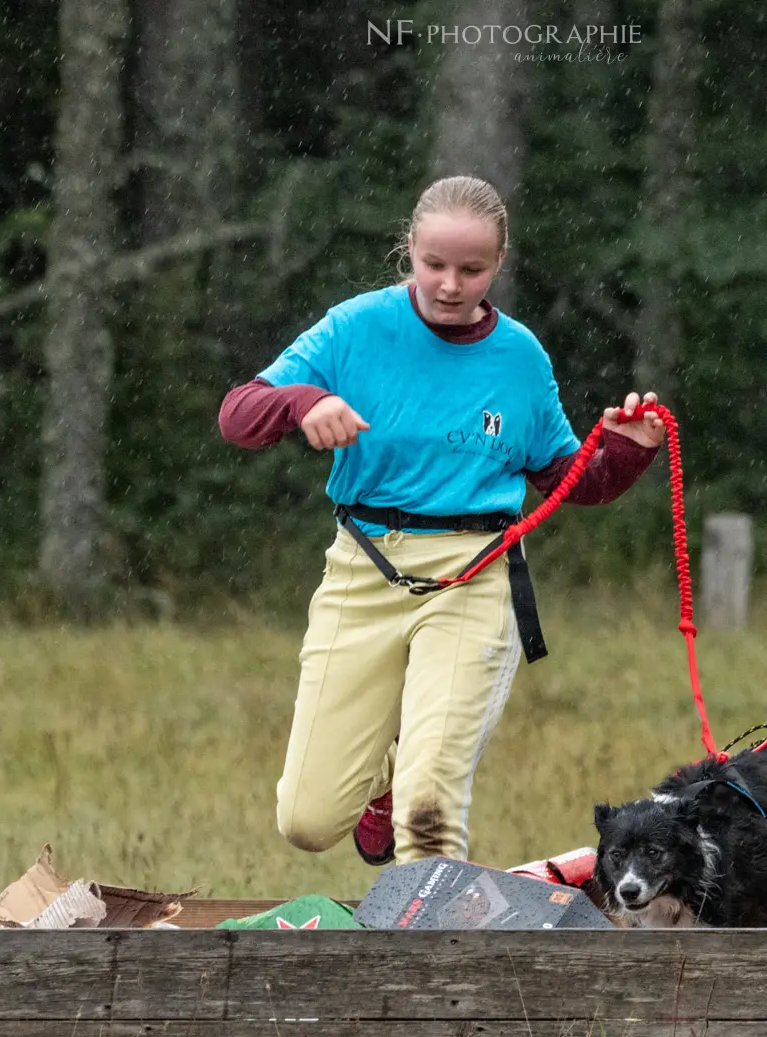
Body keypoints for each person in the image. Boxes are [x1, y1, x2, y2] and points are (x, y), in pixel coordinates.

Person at [217, 175, 668, 868]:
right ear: (409, 250)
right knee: (306, 820)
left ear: (498, 265)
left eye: (472, 269)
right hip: (364, 565)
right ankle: (379, 784)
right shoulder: (356, 327)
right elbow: (238, 414)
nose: (451, 284)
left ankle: (428, 962)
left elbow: (566, 479)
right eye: (434, 264)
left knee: (427, 808)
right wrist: (302, 403)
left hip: (474, 575)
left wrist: (626, 452)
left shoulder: (519, 357)